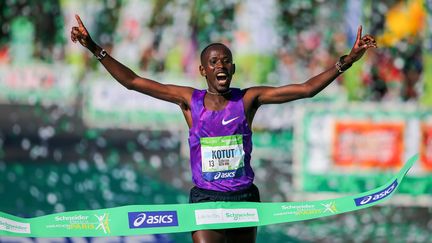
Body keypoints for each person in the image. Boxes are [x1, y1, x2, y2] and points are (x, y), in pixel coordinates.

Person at [71, 14, 376, 243]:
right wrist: (94, 47)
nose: (220, 65)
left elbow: (306, 89)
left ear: (232, 69)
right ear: (203, 70)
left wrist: (346, 61)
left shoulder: (249, 99)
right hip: (205, 200)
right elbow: (133, 82)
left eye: (226, 61)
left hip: (244, 200)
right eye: (214, 61)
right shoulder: (189, 100)